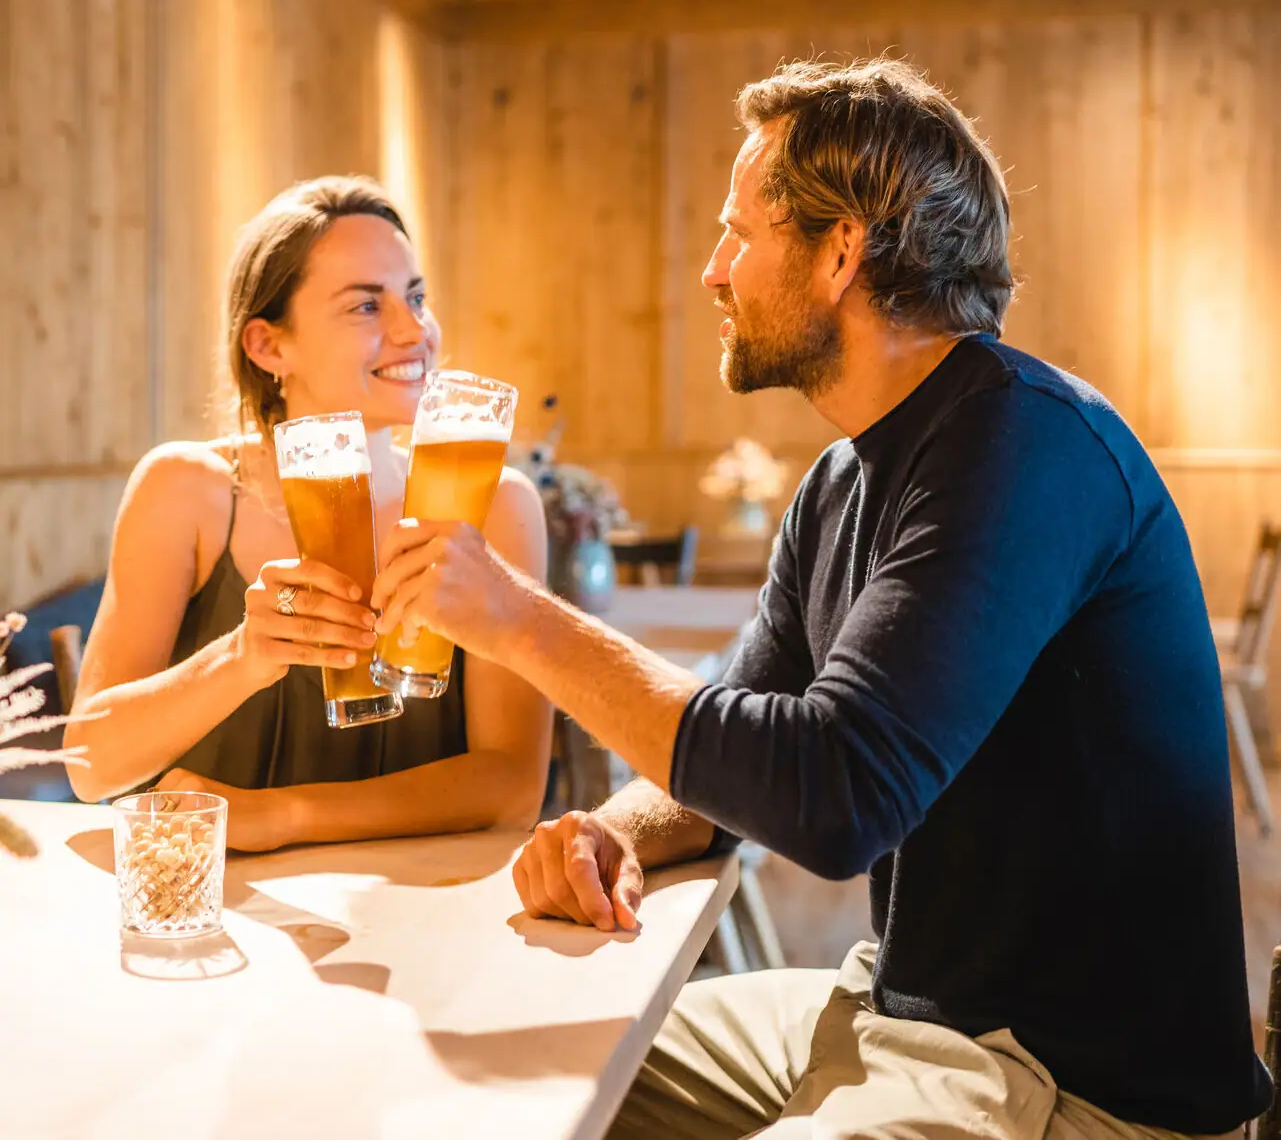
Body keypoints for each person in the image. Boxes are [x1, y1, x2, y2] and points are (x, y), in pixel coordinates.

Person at [369, 59, 1270, 1138]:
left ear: (841, 251)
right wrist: (613, 829)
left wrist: (516, 618)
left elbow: (835, 795)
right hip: (896, 1014)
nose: (711, 271)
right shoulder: (843, 480)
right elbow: (726, 758)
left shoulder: (1025, 446)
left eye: (739, 234)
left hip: (1068, 1084)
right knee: (544, 1071)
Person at [64, 176, 552, 851]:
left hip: (428, 919)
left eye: (415, 296)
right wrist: (243, 654)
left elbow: (510, 790)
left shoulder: (496, 503)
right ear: (267, 347)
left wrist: (280, 816)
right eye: (365, 307)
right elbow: (90, 765)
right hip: (223, 924)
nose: (415, 330)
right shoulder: (188, 490)